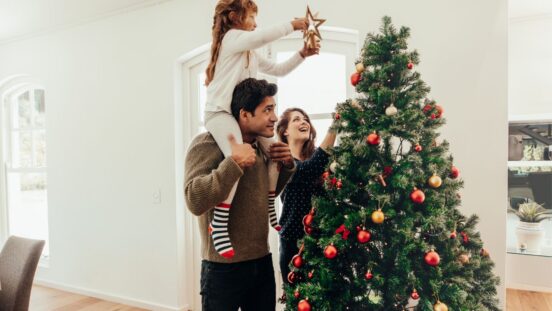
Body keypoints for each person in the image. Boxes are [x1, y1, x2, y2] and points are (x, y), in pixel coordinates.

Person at [204, 0, 319, 258]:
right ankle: (219, 222)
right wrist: (293, 25)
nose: (256, 23)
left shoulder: (250, 54)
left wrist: (302, 54)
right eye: (252, 17)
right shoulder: (232, 39)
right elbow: (260, 37)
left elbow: (278, 70)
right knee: (239, 155)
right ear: (234, 17)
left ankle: (270, 206)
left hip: (237, 115)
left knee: (275, 152)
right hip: (219, 113)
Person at [185, 78, 296, 310]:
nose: (275, 118)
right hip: (222, 268)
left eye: (273, 109)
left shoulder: (261, 148)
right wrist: (233, 163)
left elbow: (260, 197)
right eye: (267, 110)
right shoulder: (206, 144)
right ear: (245, 115)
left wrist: (285, 165)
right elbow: (195, 199)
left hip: (261, 261)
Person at [276, 107, 337, 284]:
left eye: (305, 119)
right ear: (285, 130)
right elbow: (308, 170)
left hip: (324, 240)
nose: (304, 122)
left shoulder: (320, 158)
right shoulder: (283, 161)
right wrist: (336, 125)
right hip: (294, 244)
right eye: (296, 119)